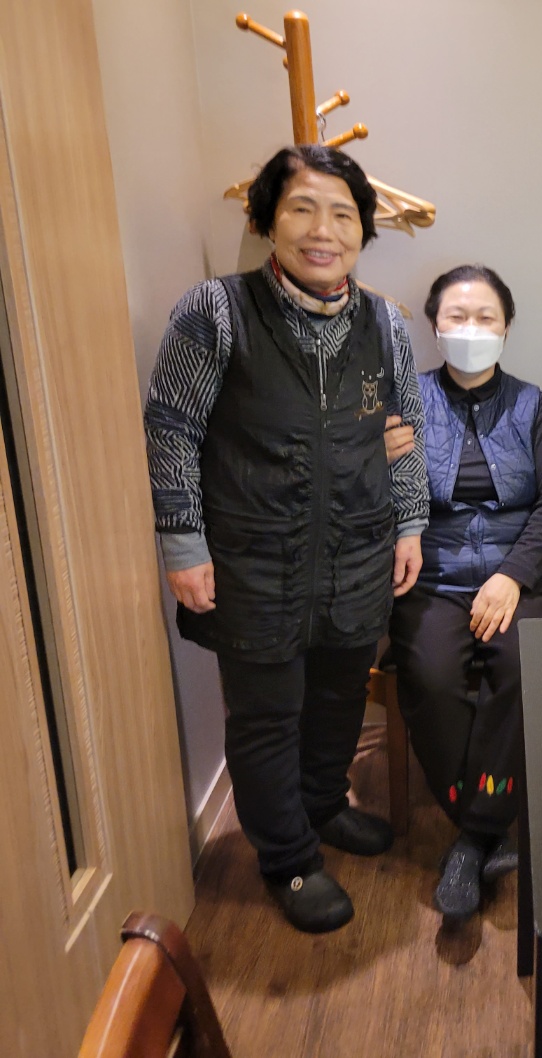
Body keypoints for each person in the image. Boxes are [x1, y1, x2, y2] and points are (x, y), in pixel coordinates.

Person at [143, 145, 429, 933]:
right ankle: (288, 858)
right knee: (266, 715)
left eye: (342, 214)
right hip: (252, 556)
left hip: (358, 550)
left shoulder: (386, 324)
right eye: (302, 209)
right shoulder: (214, 311)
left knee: (338, 696)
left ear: (363, 231)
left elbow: (404, 430)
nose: (322, 231)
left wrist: (410, 524)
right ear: (269, 220)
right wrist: (183, 543)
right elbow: (171, 429)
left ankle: (322, 804)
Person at [384, 264, 542, 922]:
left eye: (485, 317)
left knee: (522, 667)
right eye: (457, 317)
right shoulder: (404, 400)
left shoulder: (533, 404)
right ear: (435, 327)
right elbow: (375, 498)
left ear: (506, 328)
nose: (471, 328)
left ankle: (470, 837)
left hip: (517, 576)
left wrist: (512, 575)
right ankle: (487, 829)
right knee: (430, 677)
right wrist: (377, 461)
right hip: (429, 577)